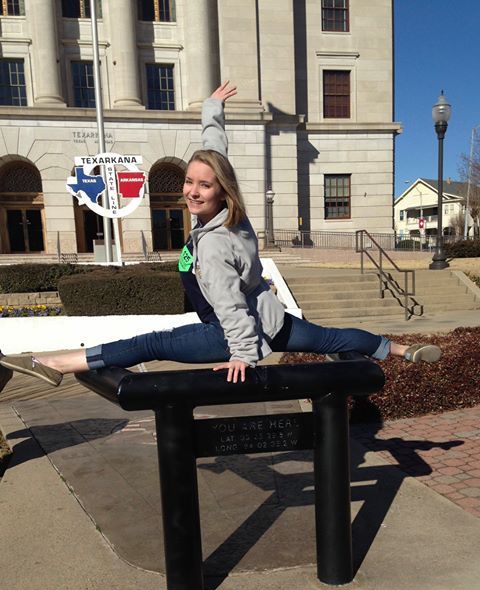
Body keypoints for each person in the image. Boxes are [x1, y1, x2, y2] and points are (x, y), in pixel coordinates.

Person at [0, 81, 441, 390]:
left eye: (202, 186)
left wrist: (243, 356)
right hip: (272, 316)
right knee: (330, 337)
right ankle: (398, 349)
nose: (192, 190)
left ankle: (52, 361)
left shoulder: (211, 243)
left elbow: (229, 305)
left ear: (220, 190)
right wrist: (213, 109)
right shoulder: (233, 216)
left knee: (149, 344)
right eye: (189, 182)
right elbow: (217, 152)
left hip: (231, 331)